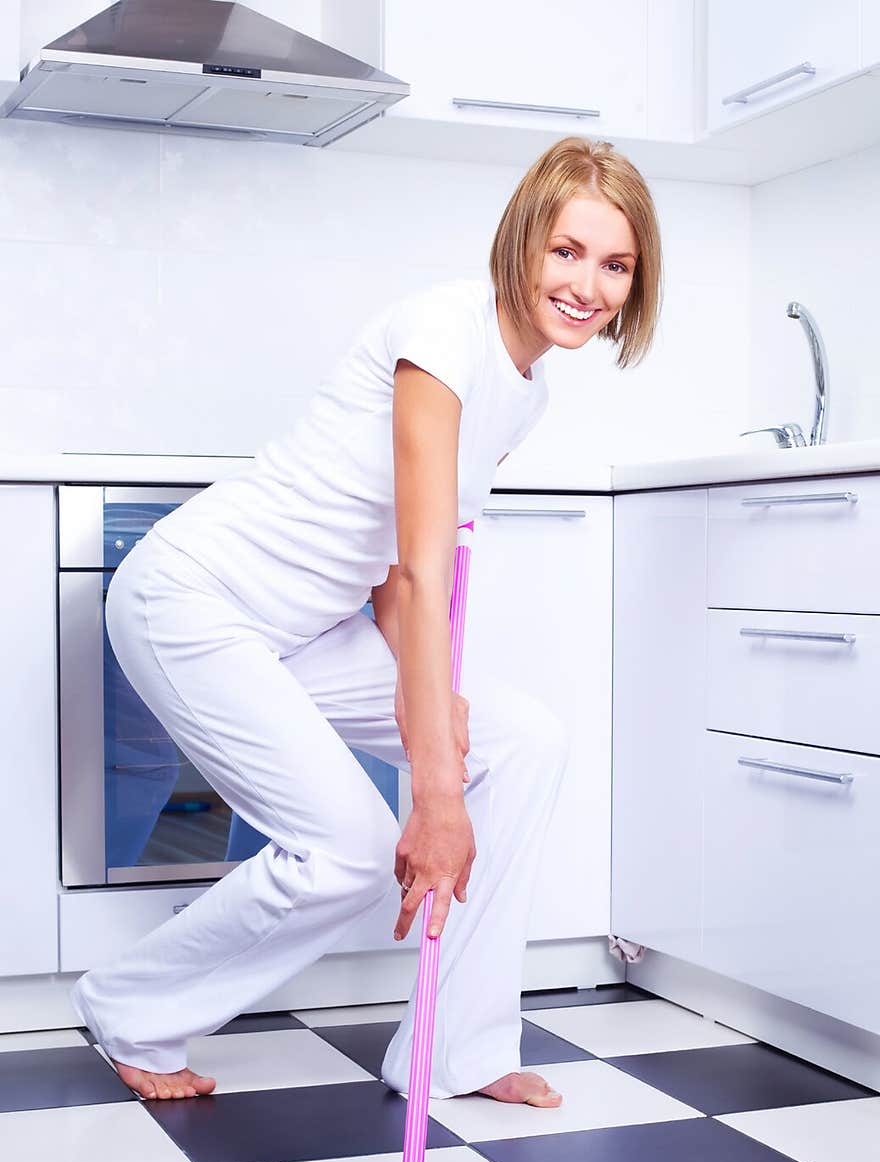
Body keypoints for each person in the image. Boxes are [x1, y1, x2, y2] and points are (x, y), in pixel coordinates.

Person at [70, 136, 663, 1105]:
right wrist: (432, 784)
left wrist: (441, 718)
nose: (586, 283)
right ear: (522, 241)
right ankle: (132, 1005)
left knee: (521, 741)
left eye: (614, 264)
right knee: (348, 847)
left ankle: (458, 1049)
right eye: (567, 250)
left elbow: (396, 575)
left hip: (303, 630)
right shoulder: (443, 330)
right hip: (195, 601)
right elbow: (428, 570)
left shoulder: (526, 390)